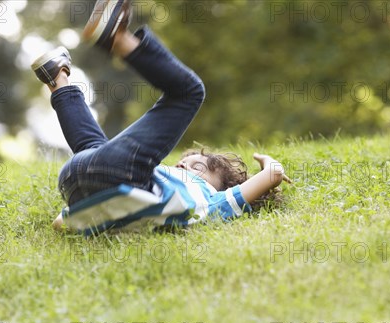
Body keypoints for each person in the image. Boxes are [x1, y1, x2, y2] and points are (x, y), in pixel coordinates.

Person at [31, 0, 291, 235]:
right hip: (75, 184)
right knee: (94, 150)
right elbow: (60, 223)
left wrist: (265, 160)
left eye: (198, 168)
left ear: (221, 188)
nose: (183, 166)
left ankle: (118, 38)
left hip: (98, 178)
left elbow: (274, 174)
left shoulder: (215, 202)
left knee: (190, 92)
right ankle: (58, 79)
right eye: (184, 163)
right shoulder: (166, 195)